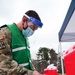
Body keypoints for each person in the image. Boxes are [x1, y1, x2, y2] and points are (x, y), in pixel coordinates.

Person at [0, 10, 43, 75]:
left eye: (35, 29)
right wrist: (31, 73)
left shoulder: (25, 38)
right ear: (24, 20)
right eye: (32, 27)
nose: (32, 31)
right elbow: (5, 63)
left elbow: (27, 62)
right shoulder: (5, 33)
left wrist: (34, 71)